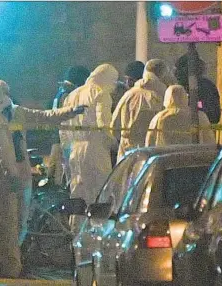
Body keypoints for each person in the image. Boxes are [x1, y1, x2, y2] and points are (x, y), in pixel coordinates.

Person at [0, 80, 85, 277]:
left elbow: (44, 117)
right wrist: (10, 173)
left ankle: (5, 261)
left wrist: (69, 112)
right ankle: (6, 265)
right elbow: (2, 148)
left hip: (15, 170)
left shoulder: (14, 112)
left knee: (17, 218)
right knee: (2, 219)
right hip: (1, 173)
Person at [61, 64, 118, 232]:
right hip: (96, 149)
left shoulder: (72, 96)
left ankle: (76, 234)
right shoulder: (101, 94)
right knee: (99, 193)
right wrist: (114, 144)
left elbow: (63, 129)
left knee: (78, 194)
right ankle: (96, 235)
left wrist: (66, 154)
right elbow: (103, 125)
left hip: (74, 150)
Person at [111, 59, 173, 162]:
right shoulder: (165, 97)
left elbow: (114, 126)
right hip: (153, 154)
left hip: (127, 152)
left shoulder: (129, 95)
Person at [48, 66, 91, 187]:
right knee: (63, 173)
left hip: (57, 136)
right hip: (63, 138)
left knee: (57, 169)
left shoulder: (60, 92)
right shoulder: (68, 94)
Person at [145, 85, 216, 147]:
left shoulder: (159, 117)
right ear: (185, 97)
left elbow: (149, 143)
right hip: (193, 157)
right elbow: (209, 141)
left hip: (165, 158)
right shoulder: (199, 116)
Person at [175, 53, 221, 124]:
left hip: (202, 127)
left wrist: (194, 105)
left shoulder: (206, 87)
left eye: (180, 69)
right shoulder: (179, 87)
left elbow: (211, 112)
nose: (176, 73)